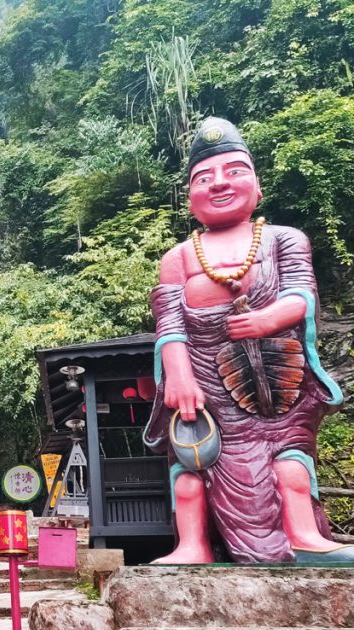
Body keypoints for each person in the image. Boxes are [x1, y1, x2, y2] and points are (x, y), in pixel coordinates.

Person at [143, 117, 350, 564]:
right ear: (190, 199)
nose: (219, 183)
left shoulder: (283, 240)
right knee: (192, 465)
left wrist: (267, 319)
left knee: (291, 459)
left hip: (280, 379)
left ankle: (303, 535)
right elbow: (171, 323)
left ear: (257, 187)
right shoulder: (179, 257)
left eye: (234, 171)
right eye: (204, 177)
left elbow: (302, 296)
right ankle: (193, 544)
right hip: (208, 385)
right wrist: (179, 376)